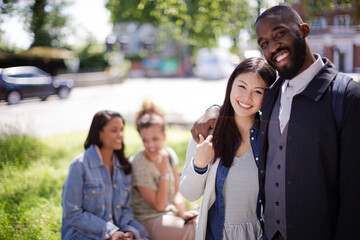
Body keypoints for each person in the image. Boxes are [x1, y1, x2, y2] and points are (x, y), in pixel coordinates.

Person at [190, 4, 360, 240]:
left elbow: (355, 194)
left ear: (304, 30)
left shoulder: (346, 96)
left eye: (279, 33)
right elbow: (243, 107)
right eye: (263, 43)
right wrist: (215, 109)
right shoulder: (272, 94)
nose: (272, 47)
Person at [180, 57, 277, 240]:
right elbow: (189, 194)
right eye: (241, 86)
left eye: (257, 91)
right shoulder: (207, 132)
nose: (247, 97)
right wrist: (199, 165)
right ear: (230, 84)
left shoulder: (271, 138)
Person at [61, 110, 148, 240]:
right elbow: (72, 213)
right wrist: (110, 232)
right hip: (82, 235)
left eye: (121, 130)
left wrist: (126, 231)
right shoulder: (79, 166)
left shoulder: (123, 166)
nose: (120, 135)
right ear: (99, 133)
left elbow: (126, 208)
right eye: (114, 130)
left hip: (116, 231)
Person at [131, 103, 197, 240]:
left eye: (155, 139)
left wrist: (183, 213)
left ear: (164, 135)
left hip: (171, 215)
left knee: (205, 223)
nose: (150, 145)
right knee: (196, 231)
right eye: (145, 140)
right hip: (149, 220)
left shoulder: (169, 154)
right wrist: (163, 174)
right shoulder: (139, 163)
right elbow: (159, 206)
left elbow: (176, 192)